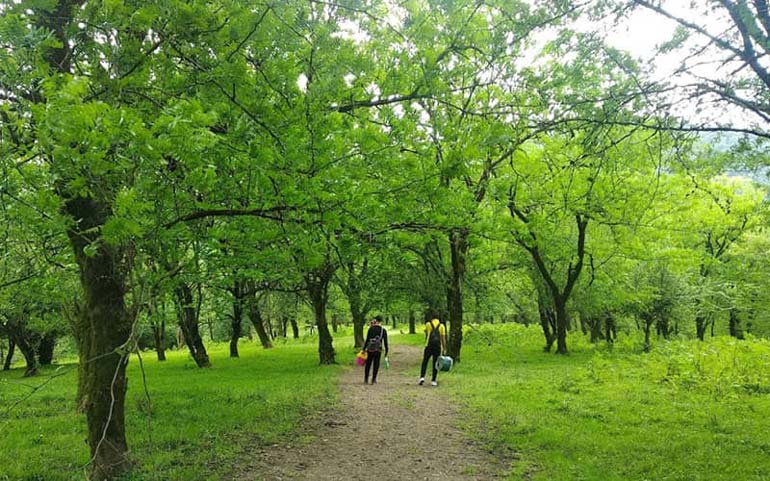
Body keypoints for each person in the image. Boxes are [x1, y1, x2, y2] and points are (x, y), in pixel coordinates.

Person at [419, 316, 446, 386]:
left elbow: (426, 333)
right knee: (435, 363)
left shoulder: (428, 324)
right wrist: (444, 348)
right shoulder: (442, 326)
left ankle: (422, 377)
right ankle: (433, 380)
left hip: (428, 346)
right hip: (437, 347)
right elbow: (443, 338)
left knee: (425, 361)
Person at [363, 315, 389, 385]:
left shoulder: (371, 329)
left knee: (368, 363)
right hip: (378, 349)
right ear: (381, 321)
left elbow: (367, 340)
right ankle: (373, 379)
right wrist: (386, 351)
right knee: (376, 364)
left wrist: (364, 349)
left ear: (375, 320)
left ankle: (366, 379)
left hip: (370, 349)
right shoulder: (383, 330)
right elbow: (385, 342)